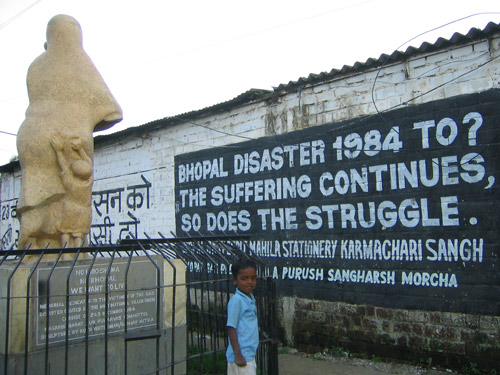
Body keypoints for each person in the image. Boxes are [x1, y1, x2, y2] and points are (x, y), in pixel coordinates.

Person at [226, 258, 259, 375]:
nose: (249, 282)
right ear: (235, 280)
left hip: (248, 354)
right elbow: (231, 327)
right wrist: (237, 354)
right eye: (244, 279)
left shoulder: (250, 298)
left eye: (253, 278)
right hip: (241, 356)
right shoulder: (237, 300)